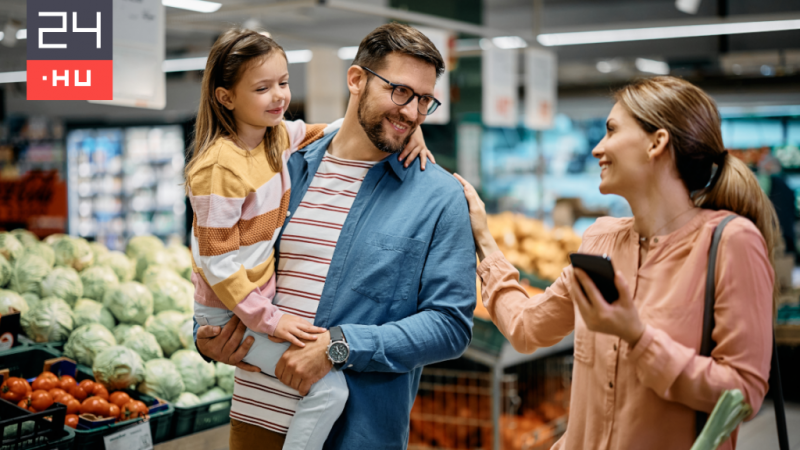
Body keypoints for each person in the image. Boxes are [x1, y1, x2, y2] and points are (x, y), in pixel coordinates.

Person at [455, 76, 779, 450]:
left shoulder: (730, 243)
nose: (597, 148)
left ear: (657, 142)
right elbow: (529, 328)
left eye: (611, 131)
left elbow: (743, 394)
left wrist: (637, 337)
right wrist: (483, 239)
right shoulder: (600, 241)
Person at [194, 23, 476, 450]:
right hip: (254, 419)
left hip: (354, 433)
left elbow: (450, 326)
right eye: (400, 91)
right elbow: (217, 257)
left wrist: (340, 347)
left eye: (424, 100)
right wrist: (202, 338)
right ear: (357, 79)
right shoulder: (283, 164)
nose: (412, 112)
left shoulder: (438, 197)